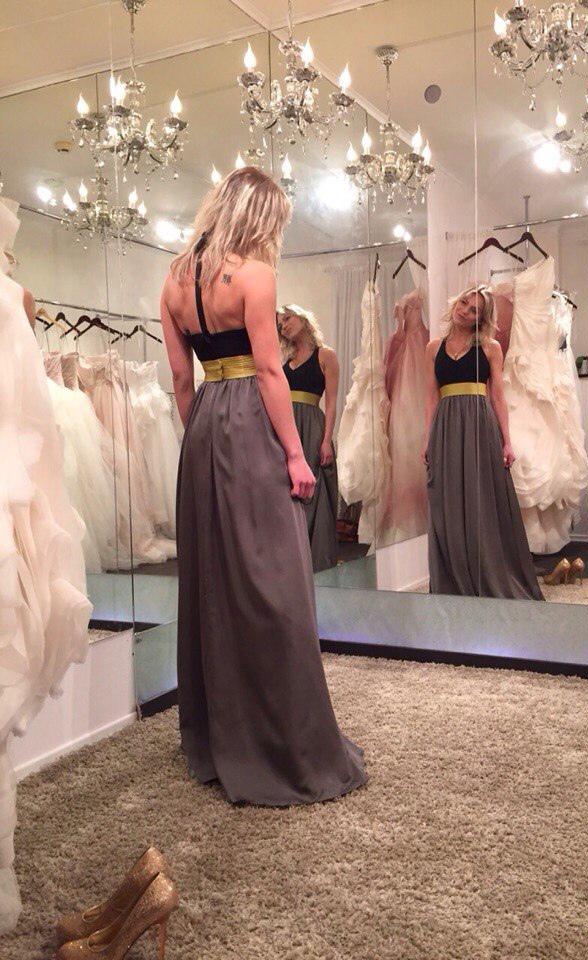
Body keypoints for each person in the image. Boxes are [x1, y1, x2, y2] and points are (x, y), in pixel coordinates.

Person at [160, 166, 367, 806]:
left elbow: (181, 380)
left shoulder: (174, 277)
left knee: (217, 578)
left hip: (204, 425)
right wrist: (297, 456)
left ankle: (221, 734)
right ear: (262, 217)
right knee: (276, 578)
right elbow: (272, 373)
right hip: (252, 417)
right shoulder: (253, 273)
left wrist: (203, 438)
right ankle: (283, 742)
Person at [423, 285, 543, 600]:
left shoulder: (490, 348)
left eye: (474, 309)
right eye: (464, 302)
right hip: (446, 427)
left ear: (481, 318)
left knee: (481, 500)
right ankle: (452, 577)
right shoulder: (433, 348)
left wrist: (507, 442)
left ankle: (489, 573)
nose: (465, 310)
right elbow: (431, 397)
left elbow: (498, 397)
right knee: (447, 502)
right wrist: (428, 439)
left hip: (479, 424)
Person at [278, 304, 339, 571]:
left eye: (288, 318)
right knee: (286, 488)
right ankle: (291, 560)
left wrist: (326, 440)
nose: (284, 325)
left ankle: (317, 560)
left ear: (303, 318)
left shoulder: (326, 355)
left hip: (312, 425)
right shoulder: (285, 360)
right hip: (286, 426)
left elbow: (332, 402)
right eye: (280, 324)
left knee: (315, 489)